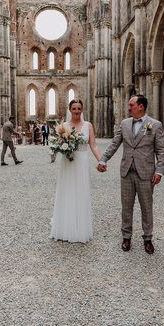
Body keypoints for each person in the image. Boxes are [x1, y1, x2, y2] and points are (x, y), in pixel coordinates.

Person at [98, 95, 164, 254]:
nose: (129, 108)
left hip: (146, 173)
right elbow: (115, 144)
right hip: (127, 172)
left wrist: (159, 170)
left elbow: (161, 151)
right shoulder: (124, 123)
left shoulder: (155, 125)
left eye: (131, 105)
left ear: (141, 106)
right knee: (126, 206)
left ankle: (148, 238)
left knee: (147, 207)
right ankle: (126, 237)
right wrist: (103, 159)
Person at [50, 99, 102, 243]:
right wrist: (61, 146)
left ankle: (80, 228)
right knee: (67, 190)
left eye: (79, 108)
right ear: (70, 109)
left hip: (82, 163)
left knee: (80, 191)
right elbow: (59, 143)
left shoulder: (88, 125)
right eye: (74, 108)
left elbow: (93, 145)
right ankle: (65, 227)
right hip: (68, 162)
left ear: (82, 110)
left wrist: (101, 160)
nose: (77, 111)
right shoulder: (64, 126)